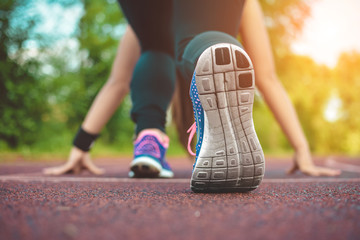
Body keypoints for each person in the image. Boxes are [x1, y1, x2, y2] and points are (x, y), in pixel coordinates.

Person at [44, 0, 340, 184]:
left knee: (155, 47)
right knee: (201, 39)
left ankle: (149, 137)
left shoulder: (142, 27)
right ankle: (212, 50)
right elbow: (267, 77)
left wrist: (81, 145)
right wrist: (301, 149)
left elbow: (118, 83)